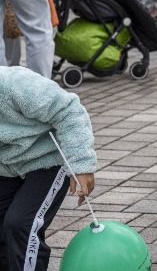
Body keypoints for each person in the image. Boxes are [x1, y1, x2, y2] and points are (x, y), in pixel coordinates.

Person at [0, 66, 96, 271]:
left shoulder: (14, 84)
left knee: (21, 224)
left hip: (48, 160)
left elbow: (69, 111)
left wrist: (81, 165)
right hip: (6, 167)